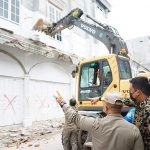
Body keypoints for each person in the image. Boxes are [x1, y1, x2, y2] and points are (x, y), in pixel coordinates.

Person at [55, 91, 144, 150]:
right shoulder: (134, 130)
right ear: (122, 107)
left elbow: (75, 117)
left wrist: (62, 102)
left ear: (106, 107)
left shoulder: (96, 124)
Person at [124, 76, 150, 149]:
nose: (130, 92)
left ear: (138, 92)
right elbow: (125, 100)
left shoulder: (147, 110)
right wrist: (100, 98)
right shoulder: (139, 102)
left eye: (130, 90)